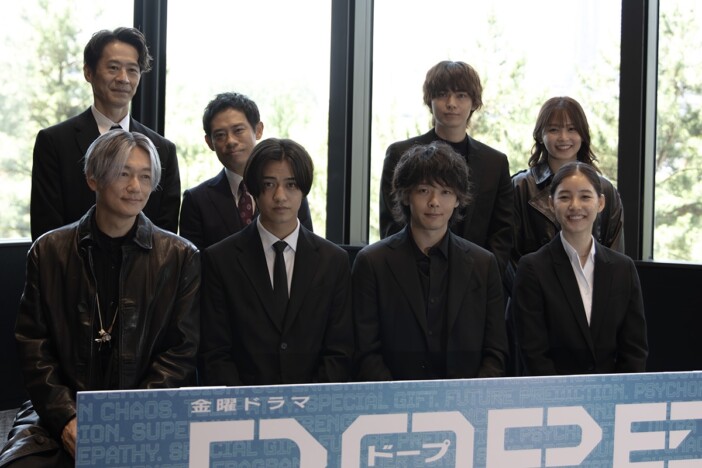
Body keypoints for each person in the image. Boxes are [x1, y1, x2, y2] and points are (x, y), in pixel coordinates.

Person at [0, 130, 200, 467]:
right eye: (123, 173)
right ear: (93, 178)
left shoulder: (180, 256)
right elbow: (34, 346)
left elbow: (180, 352)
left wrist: (126, 418)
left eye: (145, 177)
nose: (136, 187)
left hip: (144, 411)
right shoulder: (49, 251)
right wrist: (66, 418)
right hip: (59, 409)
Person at [199, 138, 353, 386]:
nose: (280, 196)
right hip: (243, 403)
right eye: (269, 184)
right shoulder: (220, 259)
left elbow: (340, 350)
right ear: (253, 188)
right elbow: (215, 352)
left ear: (303, 189)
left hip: (314, 401)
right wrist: (246, 403)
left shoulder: (333, 261)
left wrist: (308, 401)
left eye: (291, 185)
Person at [355, 141, 508, 381]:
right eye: (424, 190)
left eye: (446, 192)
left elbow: (496, 352)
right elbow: (365, 351)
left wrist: (472, 397)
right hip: (392, 398)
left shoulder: (484, 264)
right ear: (406, 195)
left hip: (467, 398)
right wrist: (398, 398)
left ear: (458, 199)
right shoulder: (372, 263)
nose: (435, 201)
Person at [30, 27, 180, 241]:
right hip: (72, 260)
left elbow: (166, 237)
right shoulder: (54, 142)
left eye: (132, 70)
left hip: (145, 263)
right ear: (88, 72)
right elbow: (46, 234)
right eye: (113, 68)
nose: (123, 78)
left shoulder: (162, 149)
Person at [511, 162, 647, 375]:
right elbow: (533, 351)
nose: (575, 206)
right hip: (553, 392)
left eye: (585, 197)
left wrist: (618, 392)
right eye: (565, 197)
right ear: (551, 203)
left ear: (601, 203)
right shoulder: (532, 269)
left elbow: (634, 350)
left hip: (613, 392)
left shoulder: (623, 268)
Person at [379, 60, 513, 276]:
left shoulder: (494, 163)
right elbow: (392, 223)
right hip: (411, 275)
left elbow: (502, 232)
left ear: (474, 102)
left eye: (461, 95)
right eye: (442, 94)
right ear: (429, 100)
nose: (451, 103)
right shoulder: (400, 153)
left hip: (475, 278)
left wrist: (484, 276)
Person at [509, 96, 624, 289]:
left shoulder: (604, 189)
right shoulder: (520, 187)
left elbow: (615, 254)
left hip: (593, 294)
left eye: (572, 129)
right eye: (554, 129)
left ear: (583, 134)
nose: (563, 137)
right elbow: (509, 255)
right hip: (533, 296)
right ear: (540, 135)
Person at [179, 92, 313, 251]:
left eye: (238, 130)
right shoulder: (196, 200)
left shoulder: (290, 189)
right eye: (220, 135)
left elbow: (306, 249)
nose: (230, 141)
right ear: (209, 142)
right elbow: (193, 262)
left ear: (258, 130)